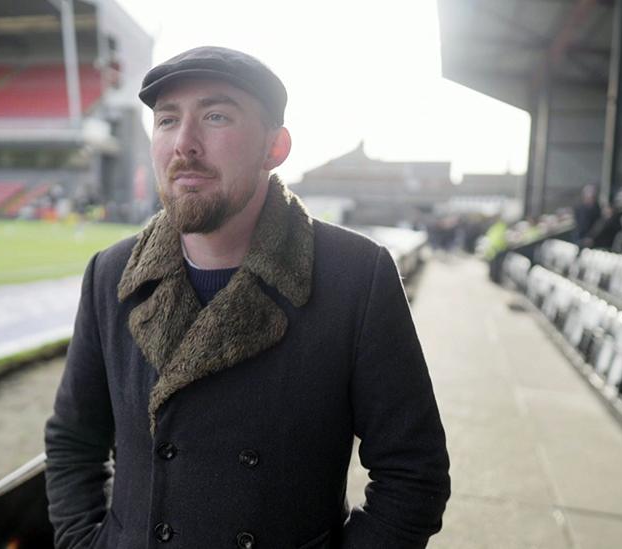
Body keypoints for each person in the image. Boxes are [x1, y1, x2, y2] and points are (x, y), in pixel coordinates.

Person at [44, 46, 450, 549]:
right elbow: (72, 441)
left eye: (216, 116)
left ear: (274, 148)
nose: (184, 144)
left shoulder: (356, 275)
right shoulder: (110, 274)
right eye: (167, 120)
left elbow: (414, 472)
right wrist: (86, 543)